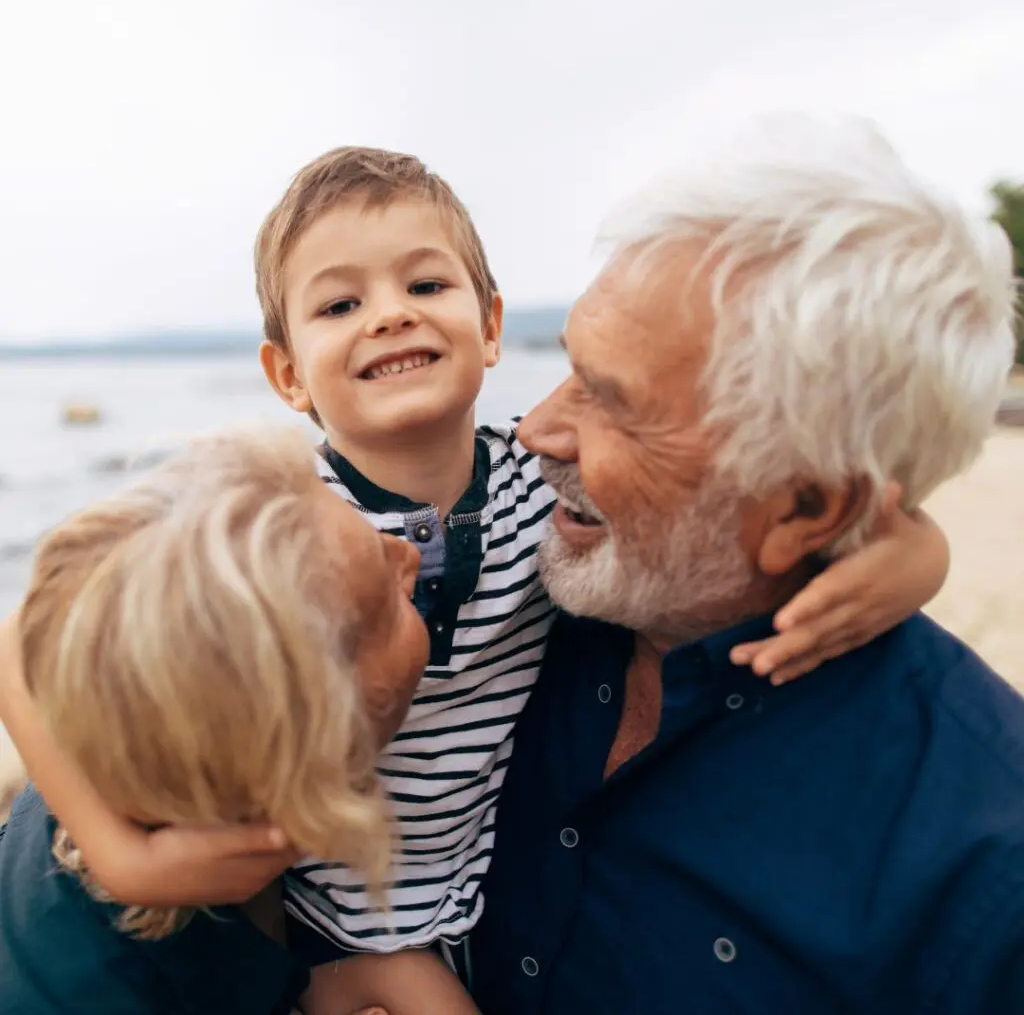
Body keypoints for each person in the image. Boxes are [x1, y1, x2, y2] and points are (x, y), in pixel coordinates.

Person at [0, 145, 951, 1014]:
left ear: (491, 326)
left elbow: (770, 504)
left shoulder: (546, 486)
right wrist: (115, 847)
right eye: (340, 305)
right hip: (304, 911)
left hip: (484, 900)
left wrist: (916, 557)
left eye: (424, 281)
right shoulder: (274, 514)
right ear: (288, 376)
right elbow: (30, 634)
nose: (390, 312)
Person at [467, 117, 1024, 1013]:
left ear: (809, 508)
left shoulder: (981, 878)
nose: (535, 430)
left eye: (611, 403)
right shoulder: (495, 584)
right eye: (571, 367)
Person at [0, 426, 431, 1014]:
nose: (408, 555)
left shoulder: (129, 714)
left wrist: (121, 859)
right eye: (388, 597)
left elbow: (20, 632)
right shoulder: (103, 988)